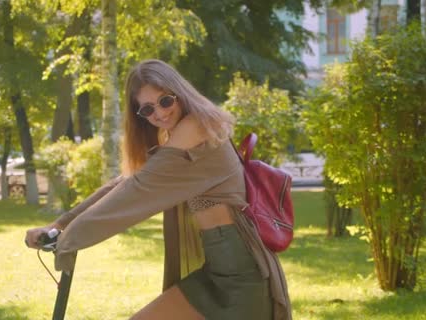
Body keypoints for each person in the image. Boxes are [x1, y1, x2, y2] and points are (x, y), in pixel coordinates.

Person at [25, 59, 291, 320]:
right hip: (217, 271)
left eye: (165, 101)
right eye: (147, 110)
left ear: (180, 93)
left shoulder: (196, 126)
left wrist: (73, 237)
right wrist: (61, 224)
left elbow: (137, 189)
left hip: (243, 275)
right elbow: (125, 182)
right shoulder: (175, 137)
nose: (160, 113)